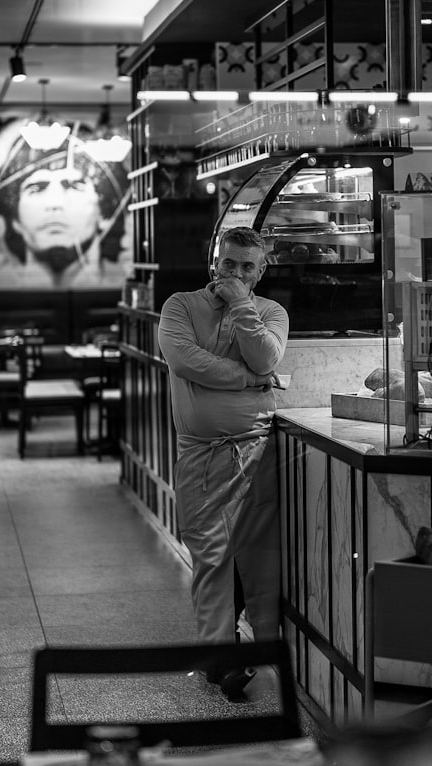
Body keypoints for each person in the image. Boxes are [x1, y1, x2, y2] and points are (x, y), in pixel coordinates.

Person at [157, 226, 289, 700]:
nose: (236, 273)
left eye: (247, 267)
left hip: (258, 449)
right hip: (201, 454)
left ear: (261, 271)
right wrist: (252, 381)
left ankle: (238, 653)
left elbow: (267, 354)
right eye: (229, 264)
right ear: (215, 260)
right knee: (211, 555)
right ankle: (221, 653)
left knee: (254, 559)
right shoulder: (180, 306)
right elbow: (185, 360)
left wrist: (240, 305)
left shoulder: (269, 312)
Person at [0, 125, 131, 288]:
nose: (54, 204)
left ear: (104, 214)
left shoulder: (126, 283)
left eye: (74, 186)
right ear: (14, 219)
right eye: (36, 189)